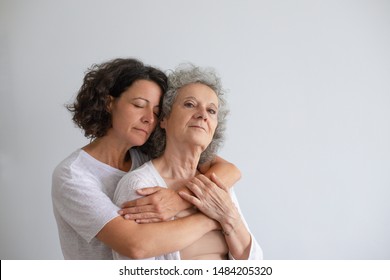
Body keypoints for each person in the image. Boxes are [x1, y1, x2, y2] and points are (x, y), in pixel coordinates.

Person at [51, 58, 242, 259]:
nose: (149, 118)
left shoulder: (145, 154)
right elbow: (136, 245)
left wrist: (179, 200)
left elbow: (229, 171)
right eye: (139, 105)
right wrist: (218, 217)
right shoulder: (73, 175)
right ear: (109, 103)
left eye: (156, 112)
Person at [113, 64, 263, 260]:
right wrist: (215, 218)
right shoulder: (140, 186)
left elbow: (255, 262)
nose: (202, 115)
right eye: (190, 104)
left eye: (211, 111)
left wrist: (228, 216)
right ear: (164, 119)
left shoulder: (219, 183)